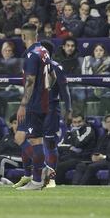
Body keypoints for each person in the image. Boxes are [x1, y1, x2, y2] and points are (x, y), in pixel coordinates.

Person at [12, 23, 55, 190]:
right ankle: (42, 170)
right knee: (20, 137)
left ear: (23, 36)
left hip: (33, 104)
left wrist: (23, 104)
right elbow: (52, 77)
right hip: (43, 102)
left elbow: (30, 82)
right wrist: (46, 93)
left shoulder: (31, 55)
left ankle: (38, 178)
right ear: (36, 36)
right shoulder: (44, 51)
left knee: (35, 141)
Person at [41, 40, 73, 188]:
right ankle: (37, 176)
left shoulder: (56, 67)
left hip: (51, 109)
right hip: (36, 110)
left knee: (49, 143)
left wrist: (69, 110)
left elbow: (64, 90)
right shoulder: (33, 66)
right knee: (35, 142)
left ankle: (51, 178)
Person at [55, 113, 96, 185]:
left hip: (82, 158)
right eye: (74, 122)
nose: (77, 125)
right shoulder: (70, 131)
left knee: (60, 167)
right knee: (53, 163)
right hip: (70, 157)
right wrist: (70, 147)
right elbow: (59, 145)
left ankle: (58, 186)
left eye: (79, 122)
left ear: (84, 121)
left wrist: (75, 132)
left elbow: (79, 143)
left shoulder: (88, 129)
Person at [72, 114, 110, 185]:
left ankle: (80, 188)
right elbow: (96, 149)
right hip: (98, 160)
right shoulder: (102, 136)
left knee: (91, 167)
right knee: (81, 165)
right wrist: (93, 156)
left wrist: (104, 157)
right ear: (105, 124)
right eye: (108, 122)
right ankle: (74, 185)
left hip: (108, 160)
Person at [0, 113, 21, 184]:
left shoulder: (26, 137)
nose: (17, 125)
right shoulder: (6, 137)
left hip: (20, 161)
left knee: (2, 160)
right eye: (15, 123)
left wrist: (6, 156)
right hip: (7, 160)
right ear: (11, 125)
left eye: (20, 123)